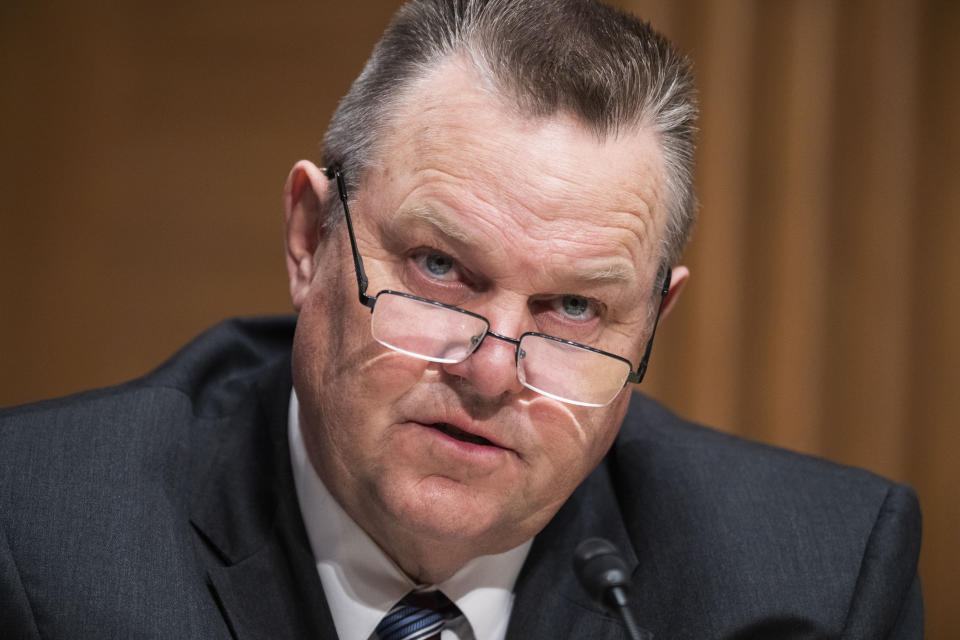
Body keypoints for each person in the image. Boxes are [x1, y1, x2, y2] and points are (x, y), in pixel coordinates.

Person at [0, 0, 921, 638]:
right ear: (311, 237)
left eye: (573, 308)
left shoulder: (815, 585)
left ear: (652, 324)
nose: (490, 371)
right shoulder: (40, 533)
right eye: (440, 269)